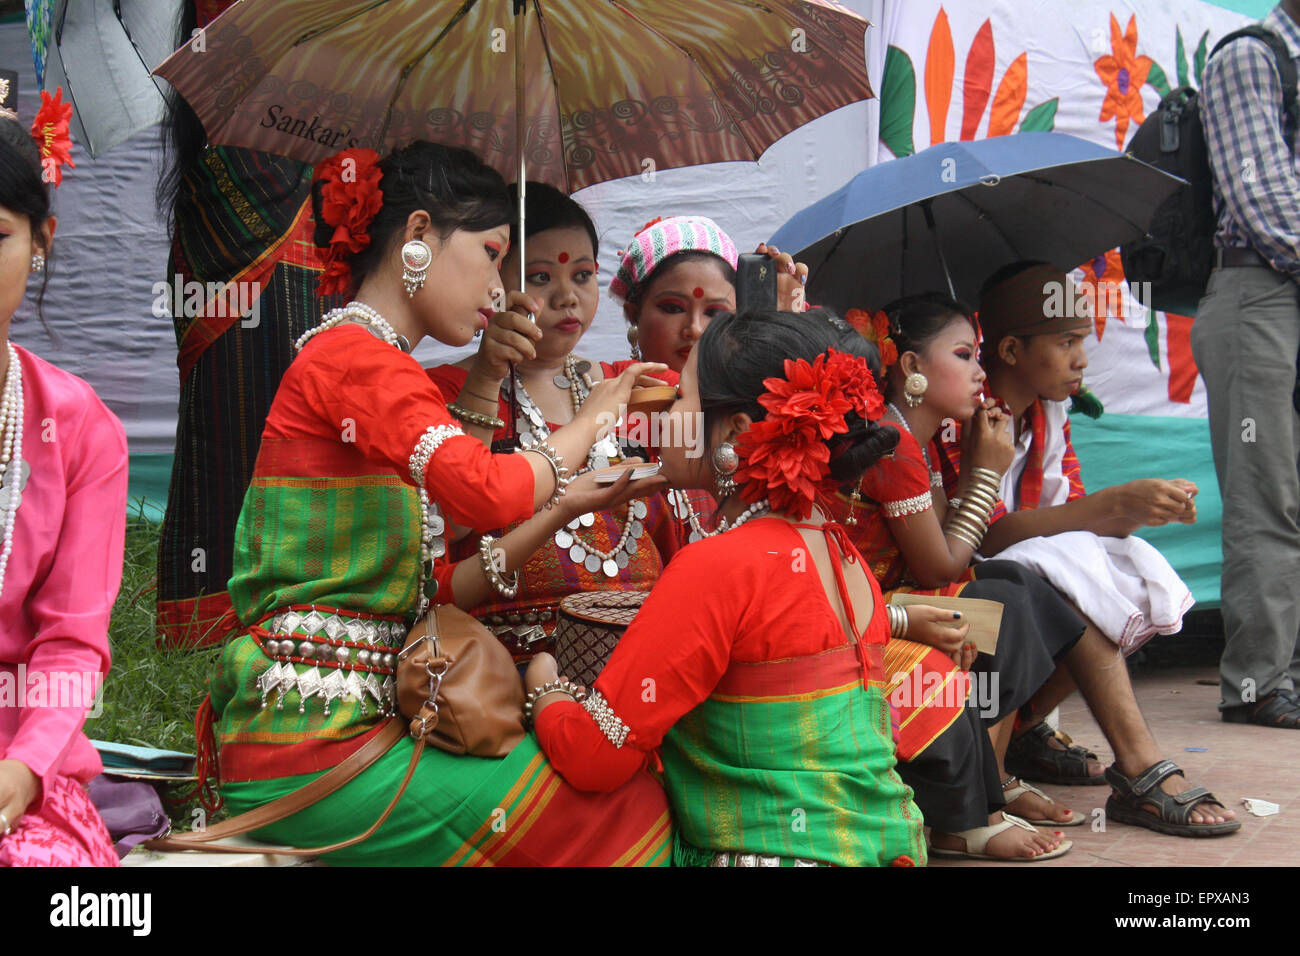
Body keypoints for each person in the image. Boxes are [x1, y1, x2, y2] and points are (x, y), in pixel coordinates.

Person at [205, 142, 673, 865]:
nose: (496, 286)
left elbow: (440, 569)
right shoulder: (353, 357)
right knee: (625, 815)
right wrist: (593, 421)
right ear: (418, 235)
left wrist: (561, 491)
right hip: (313, 743)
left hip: (363, 722)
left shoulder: (379, 365)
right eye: (491, 255)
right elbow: (487, 494)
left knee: (613, 786)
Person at [528, 309, 930, 866]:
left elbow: (595, 757)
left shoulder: (717, 565)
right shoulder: (843, 550)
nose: (665, 418)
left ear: (737, 432)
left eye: (681, 400)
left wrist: (544, 692)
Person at [849, 294, 1238, 839]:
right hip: (870, 612)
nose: (979, 371)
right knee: (1018, 591)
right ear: (912, 366)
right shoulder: (899, 442)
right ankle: (978, 809)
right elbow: (943, 565)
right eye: (964, 355)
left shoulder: (932, 437)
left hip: (915, 593)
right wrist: (987, 474)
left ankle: (1009, 763)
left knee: (1041, 582)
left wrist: (1125, 510)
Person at [952, 263, 1197, 782]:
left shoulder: (1048, 414)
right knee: (1070, 579)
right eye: (1066, 342)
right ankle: (1138, 766)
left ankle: (1023, 728)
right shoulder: (963, 417)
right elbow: (986, 537)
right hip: (955, 582)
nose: (1081, 359)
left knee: (1129, 569)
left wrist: (1138, 510)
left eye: (1082, 340)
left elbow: (1073, 521)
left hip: (1018, 573)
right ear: (1010, 350)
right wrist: (1114, 503)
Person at [154, 0, 342, 647]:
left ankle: (309, 599)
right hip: (237, 253)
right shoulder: (222, 64)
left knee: (309, 424)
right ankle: (215, 612)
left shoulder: (326, 75)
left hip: (310, 268)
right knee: (233, 424)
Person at [427, 184, 679, 659]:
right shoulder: (442, 391)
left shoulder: (629, 385)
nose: (568, 297)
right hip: (504, 666)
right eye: (540, 277)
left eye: (583, 275)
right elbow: (451, 526)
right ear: (492, 281)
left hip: (638, 655)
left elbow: (723, 424)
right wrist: (486, 377)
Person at [0, 98, 127, 866]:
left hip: (24, 755)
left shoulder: (79, 428)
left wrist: (23, 768)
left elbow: (72, 643)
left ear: (40, 241)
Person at [1194, 0, 1300, 728]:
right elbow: (1266, 202)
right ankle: (1260, 683)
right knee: (1268, 497)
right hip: (1260, 288)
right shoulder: (1250, 56)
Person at [610, 215, 806, 543]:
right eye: (673, 308)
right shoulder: (597, 395)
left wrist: (782, 329)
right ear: (634, 314)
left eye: (714, 313)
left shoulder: (752, 407)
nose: (696, 329)